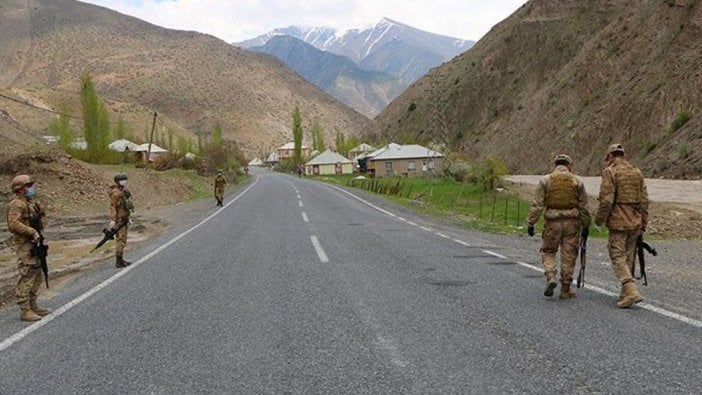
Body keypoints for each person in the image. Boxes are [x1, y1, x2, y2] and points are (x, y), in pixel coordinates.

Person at [527, 154, 590, 299]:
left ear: (555, 165)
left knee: (548, 251)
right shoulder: (577, 180)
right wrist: (586, 224)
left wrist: (531, 223)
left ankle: (550, 275)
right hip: (572, 224)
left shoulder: (546, 180)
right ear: (569, 166)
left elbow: (537, 205)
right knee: (569, 254)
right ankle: (565, 289)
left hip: (552, 223)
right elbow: (584, 206)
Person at [595, 143, 649, 308]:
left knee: (617, 256)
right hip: (635, 221)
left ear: (611, 156)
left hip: (619, 221)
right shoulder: (636, 172)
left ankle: (631, 291)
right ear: (624, 155)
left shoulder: (611, 172)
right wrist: (644, 222)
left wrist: (599, 221)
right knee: (629, 256)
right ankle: (625, 294)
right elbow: (644, 200)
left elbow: (606, 200)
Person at [7, 174, 51, 321]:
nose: (31, 188)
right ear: (20, 189)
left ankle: (33, 305)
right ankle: (25, 310)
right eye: (28, 186)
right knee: (27, 274)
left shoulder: (31, 203)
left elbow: (40, 220)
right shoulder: (16, 204)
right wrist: (31, 231)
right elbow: (13, 224)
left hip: (36, 243)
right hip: (25, 245)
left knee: (37, 273)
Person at [109, 173, 134, 268]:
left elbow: (126, 207)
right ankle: (118, 261)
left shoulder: (124, 191)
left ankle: (121, 259)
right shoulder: (116, 193)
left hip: (124, 218)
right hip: (119, 220)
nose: (124, 181)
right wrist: (113, 219)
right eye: (122, 180)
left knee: (123, 240)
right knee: (120, 240)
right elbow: (113, 207)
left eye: (125, 179)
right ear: (117, 181)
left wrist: (129, 218)